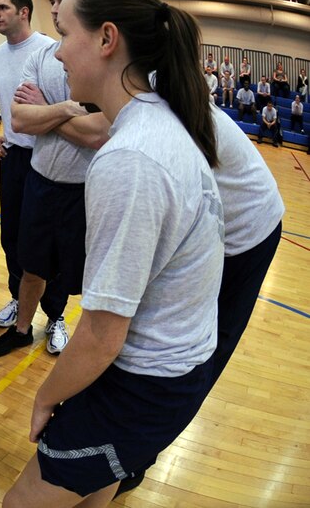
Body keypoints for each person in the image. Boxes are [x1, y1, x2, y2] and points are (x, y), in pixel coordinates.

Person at [2, 0, 223, 507]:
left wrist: (47, 394)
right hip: (169, 371)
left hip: (144, 384)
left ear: (106, 39)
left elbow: (102, 333)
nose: (56, 54)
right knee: (93, 493)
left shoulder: (129, 159)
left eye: (66, 34)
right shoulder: (154, 122)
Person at [115, 101, 285, 498]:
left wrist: (50, 115)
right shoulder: (153, 92)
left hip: (249, 233)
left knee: (204, 353)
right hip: (220, 225)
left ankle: (141, 457)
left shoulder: (163, 100)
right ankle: (138, 449)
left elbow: (95, 131)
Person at [0, 0, 108, 359]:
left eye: (62, 1)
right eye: (51, 1)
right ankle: (23, 327)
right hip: (39, 179)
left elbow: (96, 135)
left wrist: (46, 109)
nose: (55, 8)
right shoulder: (40, 58)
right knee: (30, 258)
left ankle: (55, 318)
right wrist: (69, 108)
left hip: (81, 186)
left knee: (68, 267)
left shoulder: (104, 63)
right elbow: (19, 119)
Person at [0, 0, 63, 331]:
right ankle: (18, 298)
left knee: (49, 240)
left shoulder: (49, 51)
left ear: (24, 12)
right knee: (10, 235)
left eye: (3, 7)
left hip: (48, 158)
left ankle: (55, 316)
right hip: (12, 159)